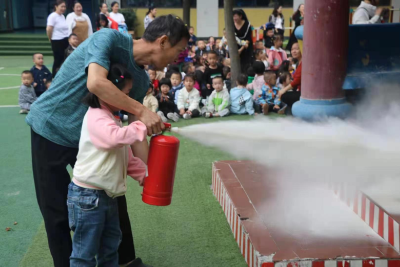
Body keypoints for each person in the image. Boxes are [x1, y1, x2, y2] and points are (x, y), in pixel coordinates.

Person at [26, 15, 189, 267]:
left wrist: (150, 176)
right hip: (52, 128)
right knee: (56, 211)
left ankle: (125, 262)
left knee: (114, 197)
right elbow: (96, 82)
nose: (177, 58)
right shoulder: (108, 38)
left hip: (94, 138)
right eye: (178, 51)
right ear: (163, 41)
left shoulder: (142, 80)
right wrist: (143, 111)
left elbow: (138, 131)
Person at [68, 63, 147, 266]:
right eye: (125, 94)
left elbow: (125, 157)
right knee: (84, 253)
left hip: (108, 196)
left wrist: (144, 175)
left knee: (110, 247)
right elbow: (114, 138)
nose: (126, 100)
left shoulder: (112, 118)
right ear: (109, 92)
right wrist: (140, 125)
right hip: (88, 197)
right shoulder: (96, 116)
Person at [46, 0, 69, 78]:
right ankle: (55, 76)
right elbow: (49, 29)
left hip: (65, 40)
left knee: (65, 59)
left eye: (64, 7)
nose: (63, 8)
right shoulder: (52, 16)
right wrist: (50, 38)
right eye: (61, 6)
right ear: (56, 6)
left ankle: (63, 75)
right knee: (58, 59)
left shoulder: (62, 16)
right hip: (56, 40)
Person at [279, 43, 302, 110]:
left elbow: (297, 80)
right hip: (299, 90)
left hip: (304, 94)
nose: (294, 51)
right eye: (292, 49)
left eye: (296, 49)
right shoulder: (299, 63)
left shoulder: (303, 63)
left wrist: (284, 89)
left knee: (284, 95)